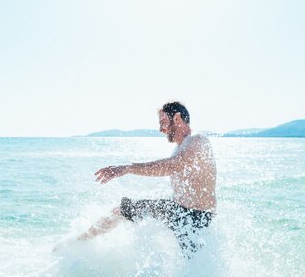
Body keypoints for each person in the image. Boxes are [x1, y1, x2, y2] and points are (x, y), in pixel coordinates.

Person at [78, 101, 217, 257]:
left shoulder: (197, 140)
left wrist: (129, 168)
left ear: (177, 118)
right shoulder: (178, 148)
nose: (161, 129)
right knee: (122, 210)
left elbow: (174, 166)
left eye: (163, 122)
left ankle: (80, 242)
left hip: (195, 217)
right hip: (178, 211)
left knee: (193, 264)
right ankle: (79, 243)